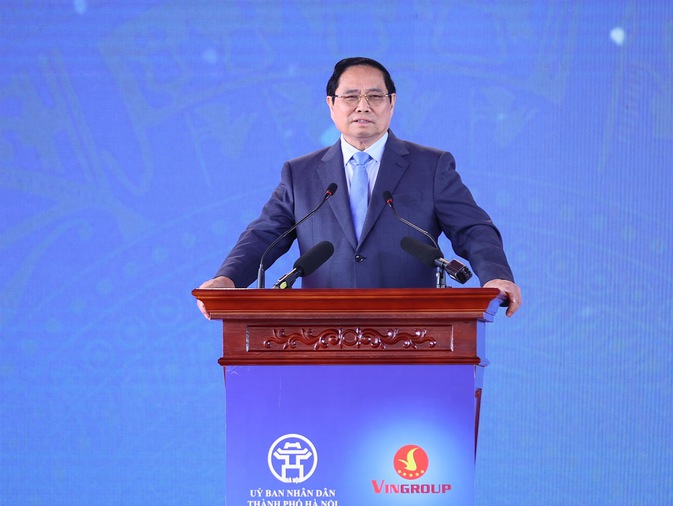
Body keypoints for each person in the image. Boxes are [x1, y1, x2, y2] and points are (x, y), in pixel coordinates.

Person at [197, 57, 521, 318]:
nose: (362, 106)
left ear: (391, 103)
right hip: (319, 332)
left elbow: (472, 228)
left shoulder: (431, 166)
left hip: (414, 328)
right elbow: (265, 235)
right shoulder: (300, 173)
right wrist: (228, 278)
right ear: (331, 104)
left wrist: (495, 275)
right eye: (350, 96)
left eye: (375, 96)